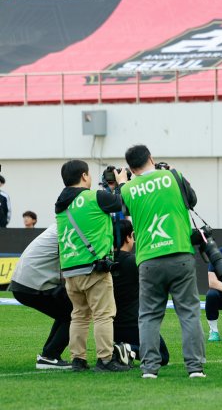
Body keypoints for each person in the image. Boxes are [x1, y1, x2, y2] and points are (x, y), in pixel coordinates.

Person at [117, 145, 206, 378]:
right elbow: (192, 200)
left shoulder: (127, 188)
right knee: (188, 313)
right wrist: (177, 174)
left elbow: (120, 208)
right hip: (180, 252)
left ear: (129, 167)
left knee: (148, 316)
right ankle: (195, 368)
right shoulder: (172, 176)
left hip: (148, 258)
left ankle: (149, 369)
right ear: (151, 158)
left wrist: (120, 183)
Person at [55, 159, 129, 372]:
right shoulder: (92, 197)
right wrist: (122, 183)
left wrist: (111, 189)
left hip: (70, 268)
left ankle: (78, 359)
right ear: (84, 176)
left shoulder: (61, 204)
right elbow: (122, 203)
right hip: (94, 267)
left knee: (78, 315)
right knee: (103, 314)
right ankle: (105, 359)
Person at [10, 223, 73, 370]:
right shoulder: (69, 227)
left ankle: (48, 355)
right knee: (77, 312)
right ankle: (50, 356)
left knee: (67, 310)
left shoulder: (60, 224)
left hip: (23, 282)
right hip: (32, 284)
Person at [112, 220, 170, 365]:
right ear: (129, 237)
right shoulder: (135, 262)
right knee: (162, 356)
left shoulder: (104, 262)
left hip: (110, 325)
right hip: (134, 323)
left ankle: (122, 350)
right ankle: (128, 349)